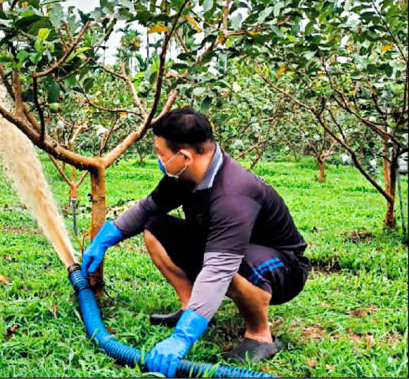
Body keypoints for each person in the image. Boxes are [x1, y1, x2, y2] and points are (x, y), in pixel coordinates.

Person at [81, 107, 309, 376]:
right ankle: (191, 308)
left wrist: (182, 338)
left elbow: (218, 270)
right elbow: (146, 210)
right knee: (155, 227)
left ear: (185, 155)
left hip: (283, 268)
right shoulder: (184, 175)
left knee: (230, 266)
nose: (159, 159)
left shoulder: (232, 195)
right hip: (229, 252)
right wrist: (105, 239)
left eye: (160, 153)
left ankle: (260, 335)